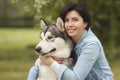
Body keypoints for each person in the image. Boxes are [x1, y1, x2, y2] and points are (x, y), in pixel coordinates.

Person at [28, 2, 114, 80]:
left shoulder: (91, 45)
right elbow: (38, 66)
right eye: (66, 20)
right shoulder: (70, 37)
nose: (69, 25)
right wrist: (44, 58)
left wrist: (51, 62)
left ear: (85, 23)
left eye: (75, 20)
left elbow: (75, 78)